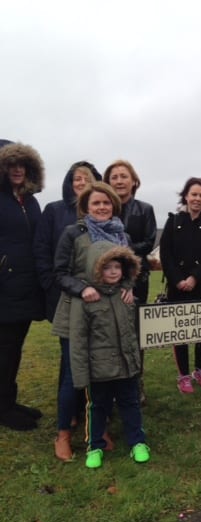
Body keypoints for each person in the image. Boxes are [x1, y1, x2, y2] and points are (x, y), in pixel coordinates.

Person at [52, 181, 133, 461]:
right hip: (76, 311)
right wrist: (81, 288)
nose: (101, 207)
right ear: (86, 206)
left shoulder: (121, 235)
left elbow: (129, 268)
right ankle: (63, 434)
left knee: (105, 375)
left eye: (106, 202)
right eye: (96, 203)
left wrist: (129, 286)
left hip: (108, 316)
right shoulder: (73, 233)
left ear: (114, 205)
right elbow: (60, 272)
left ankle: (98, 430)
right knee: (73, 376)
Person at [34, 161, 102, 451]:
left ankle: (94, 423)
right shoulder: (55, 212)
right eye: (77, 177)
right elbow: (44, 253)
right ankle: (67, 423)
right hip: (67, 298)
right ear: (69, 181)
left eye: (87, 177)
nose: (81, 181)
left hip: (99, 304)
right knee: (70, 364)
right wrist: (52, 286)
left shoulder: (104, 219)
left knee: (95, 364)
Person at [69, 241, 150, 469]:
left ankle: (138, 442)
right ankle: (94, 446)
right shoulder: (85, 299)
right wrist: (81, 375)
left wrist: (135, 362)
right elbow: (78, 339)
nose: (113, 272)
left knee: (130, 403)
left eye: (117, 266)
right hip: (99, 368)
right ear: (96, 269)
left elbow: (131, 333)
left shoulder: (126, 296)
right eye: (107, 267)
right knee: (97, 407)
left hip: (126, 365)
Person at [160, 177, 201, 394]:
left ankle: (200, 370)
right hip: (177, 287)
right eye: (194, 194)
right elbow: (165, 254)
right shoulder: (173, 221)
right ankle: (184, 376)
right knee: (181, 334)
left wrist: (195, 277)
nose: (197, 199)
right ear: (186, 195)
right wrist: (178, 279)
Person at [103, 160, 157, 404]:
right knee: (110, 332)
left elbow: (148, 241)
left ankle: (136, 382)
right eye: (114, 177)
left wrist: (121, 251)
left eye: (124, 176)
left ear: (134, 181)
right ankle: (111, 386)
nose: (119, 181)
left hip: (136, 278)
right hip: (106, 279)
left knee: (134, 333)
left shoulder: (145, 209)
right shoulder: (104, 208)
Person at [0, 140, 45, 431]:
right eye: (11, 165)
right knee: (4, 349)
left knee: (15, 348)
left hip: (26, 286)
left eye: (22, 165)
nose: (17, 170)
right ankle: (3, 409)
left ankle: (9, 401)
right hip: (4, 286)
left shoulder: (30, 201)